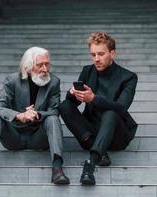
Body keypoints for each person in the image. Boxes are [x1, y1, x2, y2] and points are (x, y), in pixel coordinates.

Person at [0, 47, 70, 185]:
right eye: (40, 65)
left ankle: (57, 170)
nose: (45, 69)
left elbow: (54, 110)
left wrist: (37, 114)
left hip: (38, 138)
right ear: (28, 67)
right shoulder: (13, 81)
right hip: (14, 137)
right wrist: (19, 116)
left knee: (53, 119)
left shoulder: (53, 82)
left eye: (47, 64)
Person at [59, 32, 138, 185]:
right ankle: (100, 153)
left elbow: (121, 107)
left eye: (101, 54)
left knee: (111, 113)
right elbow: (73, 104)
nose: (96, 59)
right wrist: (72, 93)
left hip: (116, 135)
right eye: (93, 54)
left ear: (112, 53)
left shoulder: (128, 77)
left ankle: (90, 165)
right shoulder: (88, 71)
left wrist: (93, 99)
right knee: (64, 106)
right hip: (90, 133)